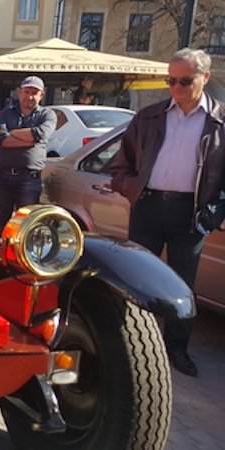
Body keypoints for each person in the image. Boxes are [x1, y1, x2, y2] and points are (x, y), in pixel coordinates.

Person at [106, 48, 225, 377]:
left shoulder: (219, 121)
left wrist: (213, 212)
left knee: (182, 286)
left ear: (205, 78)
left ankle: (177, 349)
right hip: (148, 205)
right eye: (170, 80)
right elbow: (121, 164)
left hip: (190, 214)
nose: (176, 88)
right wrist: (131, 188)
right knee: (134, 278)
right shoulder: (149, 117)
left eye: (184, 81)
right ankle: (126, 344)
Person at [0, 76, 57, 242]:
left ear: (42, 95)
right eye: (27, 92)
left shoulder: (48, 115)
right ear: (20, 93)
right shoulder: (6, 113)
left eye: (35, 92)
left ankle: (21, 261)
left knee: (26, 224)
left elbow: (39, 135)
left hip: (28, 178)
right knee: (1, 222)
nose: (30, 96)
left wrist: (12, 133)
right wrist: (27, 138)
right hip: (2, 177)